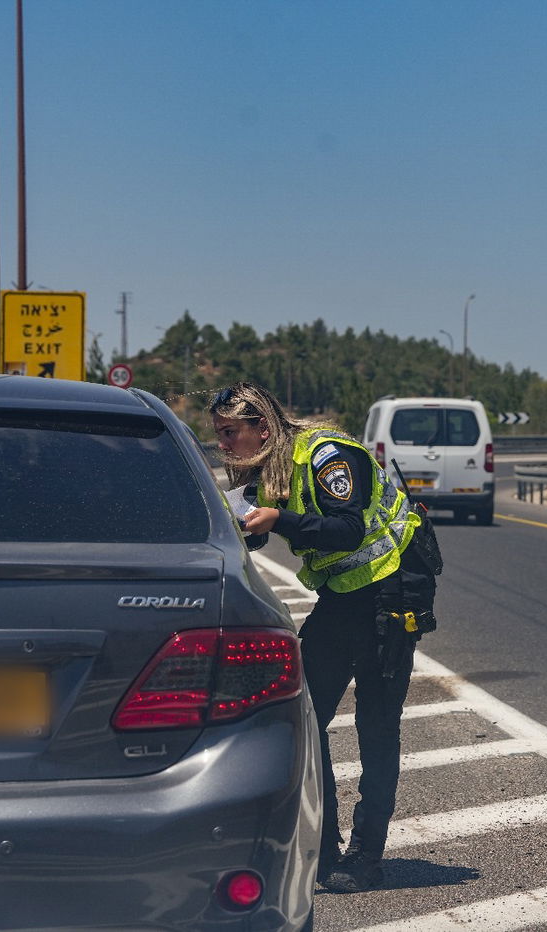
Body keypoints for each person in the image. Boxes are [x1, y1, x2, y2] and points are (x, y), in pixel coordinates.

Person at [209, 381, 437, 894]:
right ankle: (325, 847)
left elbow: (347, 529)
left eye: (230, 433)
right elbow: (261, 530)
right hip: (344, 598)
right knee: (306, 718)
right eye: (219, 434)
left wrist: (281, 518)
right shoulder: (271, 468)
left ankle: (365, 858)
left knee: (377, 728)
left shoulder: (327, 456)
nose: (223, 444)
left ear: (261, 428)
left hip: (391, 595)